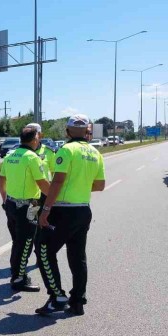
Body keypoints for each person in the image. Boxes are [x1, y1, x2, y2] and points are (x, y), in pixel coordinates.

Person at [36, 114, 106, 315]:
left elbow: (57, 182)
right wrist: (80, 185)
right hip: (83, 210)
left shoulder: (66, 150)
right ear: (87, 132)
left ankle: (57, 297)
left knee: (43, 251)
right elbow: (100, 185)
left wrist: (46, 209)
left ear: (67, 132)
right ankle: (78, 301)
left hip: (62, 211)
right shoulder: (95, 153)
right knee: (77, 256)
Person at [0, 126, 50, 292]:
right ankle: (19, 279)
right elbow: (43, 184)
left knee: (17, 242)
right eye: (38, 138)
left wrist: (5, 199)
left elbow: (1, 179)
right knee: (26, 242)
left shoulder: (11, 155)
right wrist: (57, 198)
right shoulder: (32, 158)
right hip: (30, 206)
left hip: (11, 204)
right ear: (34, 139)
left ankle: (17, 273)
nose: (39, 141)